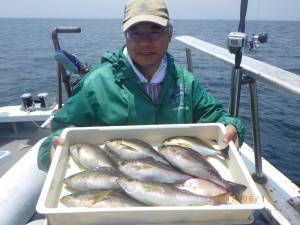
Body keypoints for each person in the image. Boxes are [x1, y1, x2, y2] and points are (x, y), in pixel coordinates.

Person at [38, 0, 244, 171]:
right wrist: (53, 149)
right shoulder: (96, 84)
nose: (145, 42)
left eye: (155, 31)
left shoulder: (185, 83)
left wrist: (233, 128)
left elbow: (218, 119)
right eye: (135, 32)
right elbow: (58, 134)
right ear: (125, 36)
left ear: (169, 34)